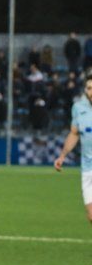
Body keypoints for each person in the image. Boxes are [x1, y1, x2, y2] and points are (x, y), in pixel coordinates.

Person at [55, 76, 92, 224]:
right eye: (89, 88)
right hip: (88, 168)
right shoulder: (78, 108)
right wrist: (62, 156)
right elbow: (74, 134)